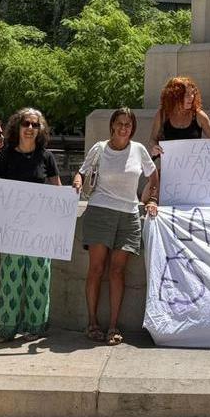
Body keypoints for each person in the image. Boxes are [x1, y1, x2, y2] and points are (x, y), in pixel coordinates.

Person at [74, 109, 160, 346]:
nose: (124, 128)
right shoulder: (100, 148)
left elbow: (153, 177)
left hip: (129, 215)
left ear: (132, 128)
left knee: (117, 271)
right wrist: (77, 181)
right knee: (97, 268)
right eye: (120, 123)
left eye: (128, 124)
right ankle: (92, 322)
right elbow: (82, 171)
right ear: (112, 126)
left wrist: (152, 199)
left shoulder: (139, 150)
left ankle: (113, 325)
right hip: (100, 211)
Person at [0, 107, 62, 342]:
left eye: (35, 125)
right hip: (12, 229)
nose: (30, 128)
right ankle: (7, 328)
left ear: (40, 129)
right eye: (26, 123)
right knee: (10, 277)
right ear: (18, 126)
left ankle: (35, 328)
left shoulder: (46, 156)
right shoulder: (6, 155)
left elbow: (56, 190)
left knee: (38, 277)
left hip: (39, 230)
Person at [147, 77, 210, 160]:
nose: (191, 97)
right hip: (169, 170)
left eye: (193, 93)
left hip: (194, 172)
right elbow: (152, 139)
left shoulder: (199, 116)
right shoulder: (162, 114)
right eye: (187, 94)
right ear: (174, 96)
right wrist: (154, 147)